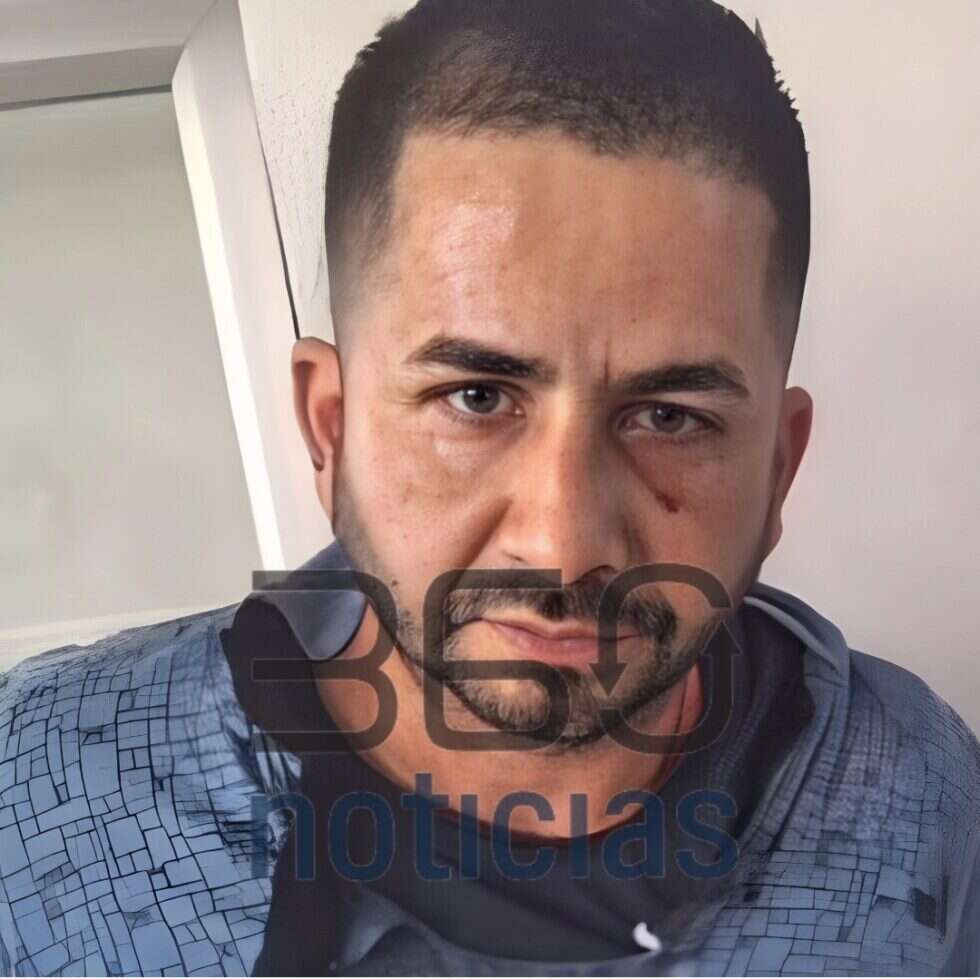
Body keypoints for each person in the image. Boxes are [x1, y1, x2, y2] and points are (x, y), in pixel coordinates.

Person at [1, 1, 978, 975]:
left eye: (669, 416)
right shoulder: (35, 794)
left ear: (775, 472)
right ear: (329, 427)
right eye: (476, 398)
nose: (561, 543)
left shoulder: (921, 796)